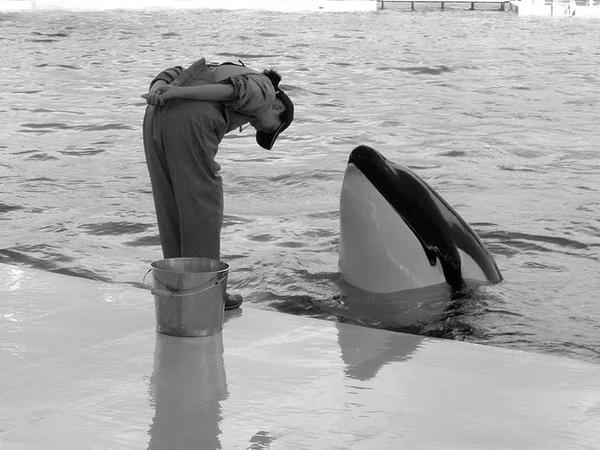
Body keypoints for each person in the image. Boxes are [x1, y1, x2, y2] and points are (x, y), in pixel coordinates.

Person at [142, 57, 294, 310]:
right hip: (189, 123)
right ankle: (205, 294)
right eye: (269, 129)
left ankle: (177, 284)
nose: (257, 127)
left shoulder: (219, 68)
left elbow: (172, 71)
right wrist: (178, 93)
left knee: (170, 201)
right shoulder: (266, 91)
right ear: (279, 109)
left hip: (154, 117)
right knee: (203, 204)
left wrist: (159, 89)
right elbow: (232, 92)